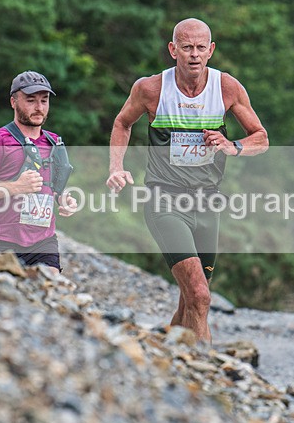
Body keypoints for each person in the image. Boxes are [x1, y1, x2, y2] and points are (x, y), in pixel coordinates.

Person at [106, 18, 269, 343]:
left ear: (211, 50)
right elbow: (122, 123)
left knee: (191, 297)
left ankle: (167, 354)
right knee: (200, 295)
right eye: (186, 47)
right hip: (164, 201)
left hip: (207, 202)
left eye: (199, 48)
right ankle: (206, 374)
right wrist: (116, 166)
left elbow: (261, 138)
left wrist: (231, 146)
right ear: (173, 50)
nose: (193, 55)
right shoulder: (151, 89)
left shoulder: (227, 88)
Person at [0, 70, 78, 274]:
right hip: (1, 241)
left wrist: (62, 197)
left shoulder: (54, 141)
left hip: (43, 242)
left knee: (50, 290)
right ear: (13, 102)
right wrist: (16, 187)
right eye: (31, 100)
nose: (39, 107)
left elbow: (48, 186)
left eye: (44, 101)